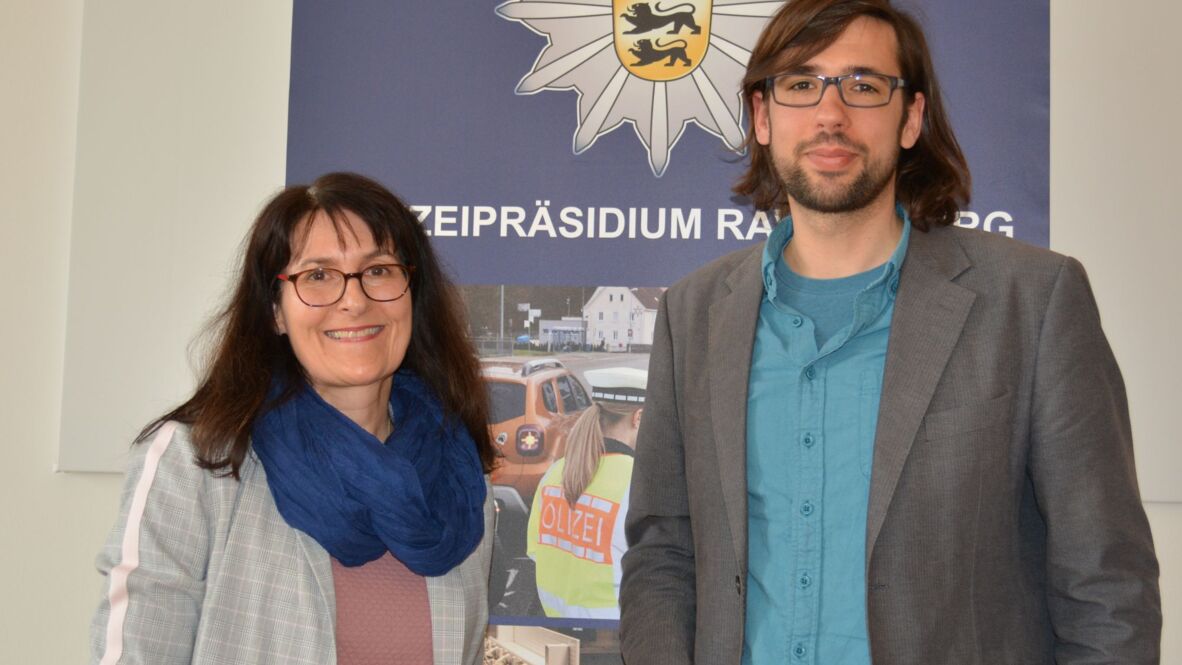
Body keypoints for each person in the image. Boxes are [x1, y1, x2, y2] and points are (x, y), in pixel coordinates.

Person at [618, 1, 1161, 663]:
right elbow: (663, 555)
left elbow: (1107, 589)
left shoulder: (1032, 303)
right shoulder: (693, 316)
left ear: (911, 119)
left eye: (864, 86)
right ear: (762, 117)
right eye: (800, 84)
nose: (830, 114)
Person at [91, 172, 497, 665]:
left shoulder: (459, 479)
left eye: (379, 270)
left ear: (413, 292)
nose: (354, 299)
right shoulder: (197, 463)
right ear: (276, 312)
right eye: (318, 276)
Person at [526, 367, 646, 619]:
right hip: (612, 639)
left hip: (555, 629)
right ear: (638, 417)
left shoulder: (555, 473)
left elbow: (537, 553)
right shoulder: (638, 482)